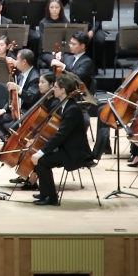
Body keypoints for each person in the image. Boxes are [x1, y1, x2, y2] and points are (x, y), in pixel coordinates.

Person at [28, 72, 92, 206]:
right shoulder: (65, 105)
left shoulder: (72, 109)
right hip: (66, 148)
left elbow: (60, 135)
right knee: (41, 158)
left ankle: (51, 197)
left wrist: (41, 152)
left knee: (42, 161)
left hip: (74, 153)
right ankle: (45, 192)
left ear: (63, 90)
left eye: (56, 87)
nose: (53, 89)